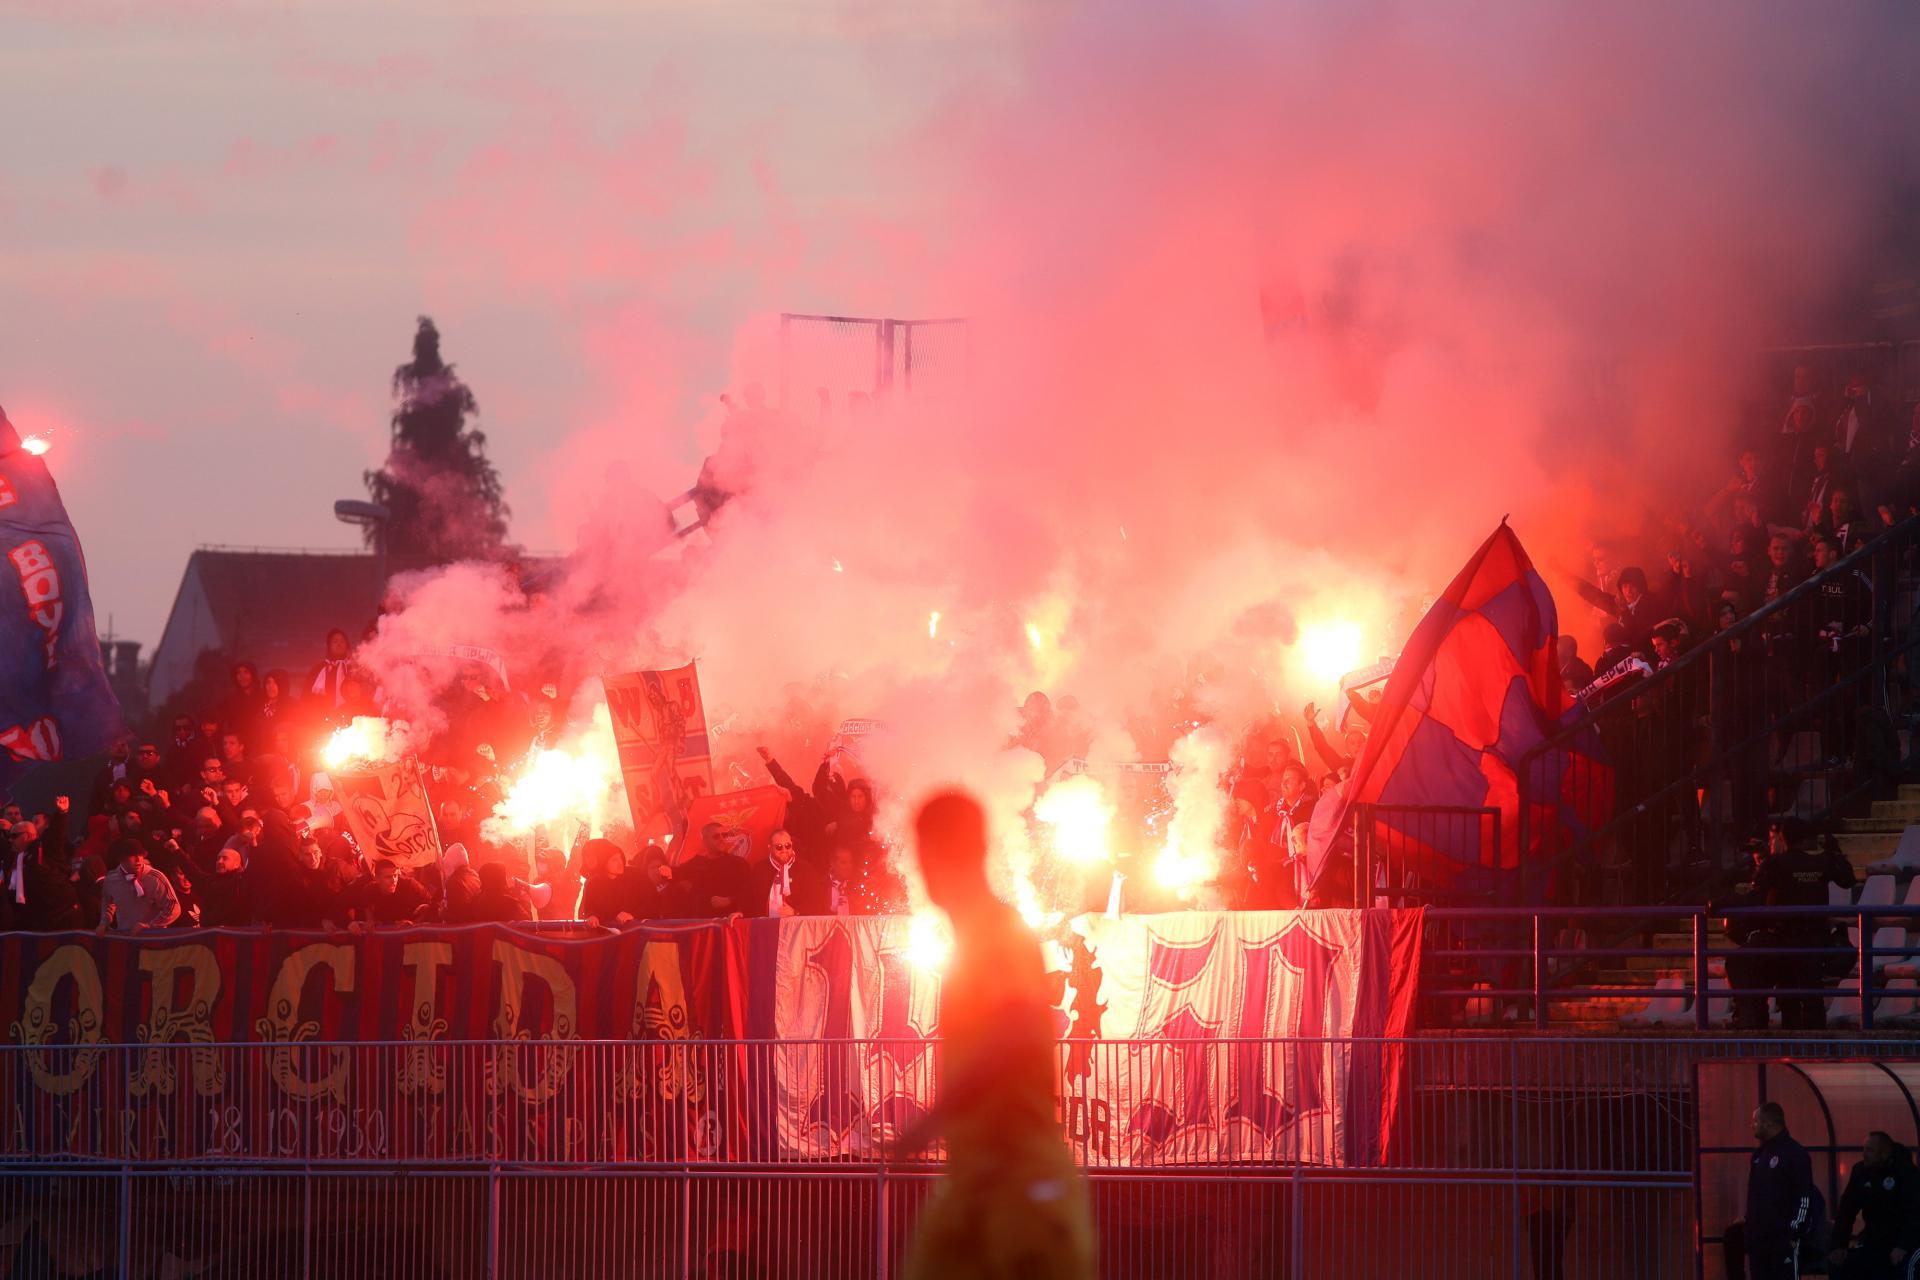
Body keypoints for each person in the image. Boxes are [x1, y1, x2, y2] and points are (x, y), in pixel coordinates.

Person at [898, 791, 1095, 1280]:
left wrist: (933, 1119)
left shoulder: (1000, 933)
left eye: (937, 851)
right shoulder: (970, 943)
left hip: (1024, 1187)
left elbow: (1016, 1030)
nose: (928, 867)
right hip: (976, 1182)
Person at [1724, 1102, 1817, 1280]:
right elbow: (1756, 1196)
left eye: (1755, 1121)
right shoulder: (1759, 1155)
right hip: (1759, 1238)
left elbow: (1804, 1196)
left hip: (1782, 1238)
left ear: (1769, 1123)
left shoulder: (1794, 1153)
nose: (1752, 1125)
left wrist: (1794, 1231)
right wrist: (1749, 1219)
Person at [1829, 1130, 1919, 1279]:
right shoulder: (1860, 1172)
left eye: (1869, 1150)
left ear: (1883, 1154)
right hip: (1873, 1238)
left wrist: (1903, 1245)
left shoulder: (1906, 1172)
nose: (1864, 1154)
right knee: (1840, 1263)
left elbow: (1914, 1213)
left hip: (1904, 1240)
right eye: (1863, 1149)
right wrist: (1838, 1245)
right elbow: (1846, 1210)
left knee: (1904, 1266)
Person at [675, 823, 753, 917]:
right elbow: (674, 874)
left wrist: (730, 900)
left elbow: (750, 891)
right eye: (716, 836)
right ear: (705, 841)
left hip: (728, 924)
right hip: (702, 924)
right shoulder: (696, 864)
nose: (721, 839)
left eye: (724, 835)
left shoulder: (739, 864)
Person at [101, 840, 182, 931]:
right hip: (126, 937)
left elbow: (174, 907)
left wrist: (151, 925)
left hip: (152, 938)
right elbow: (108, 902)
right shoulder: (111, 879)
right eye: (132, 855)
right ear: (121, 858)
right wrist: (104, 922)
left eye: (140, 854)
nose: (138, 859)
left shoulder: (155, 877)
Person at [749, 828, 829, 917]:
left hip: (796, 926)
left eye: (787, 846)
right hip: (766, 925)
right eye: (779, 847)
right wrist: (740, 912)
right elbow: (750, 898)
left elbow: (816, 900)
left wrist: (795, 912)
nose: (784, 850)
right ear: (770, 848)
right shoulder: (759, 869)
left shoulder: (805, 869)